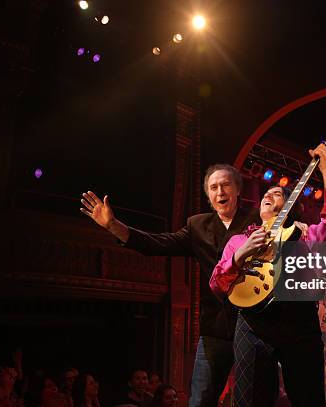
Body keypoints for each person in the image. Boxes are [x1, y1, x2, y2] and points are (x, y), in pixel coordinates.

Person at [81, 164, 259, 407]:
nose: (220, 191)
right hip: (215, 328)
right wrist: (113, 225)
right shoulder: (198, 226)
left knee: (253, 399)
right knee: (201, 399)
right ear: (208, 195)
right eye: (213, 187)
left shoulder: (257, 219)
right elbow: (156, 244)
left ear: (238, 189)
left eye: (226, 185)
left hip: (253, 323)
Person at [210, 143, 326, 406]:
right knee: (249, 400)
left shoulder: (305, 233)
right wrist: (241, 255)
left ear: (290, 206)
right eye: (266, 193)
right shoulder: (239, 239)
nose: (269, 195)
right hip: (253, 325)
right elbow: (217, 285)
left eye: (277, 194)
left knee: (308, 397)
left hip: (299, 321)